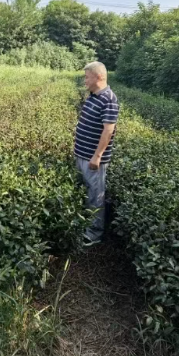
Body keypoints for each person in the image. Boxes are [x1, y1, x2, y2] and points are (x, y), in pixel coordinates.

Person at [74, 61, 119, 247]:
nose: (85, 80)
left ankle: (94, 233)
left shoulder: (109, 99)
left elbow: (108, 131)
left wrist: (97, 156)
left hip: (93, 158)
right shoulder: (93, 96)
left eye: (87, 76)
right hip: (81, 154)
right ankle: (84, 223)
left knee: (95, 195)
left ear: (98, 77)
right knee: (85, 192)